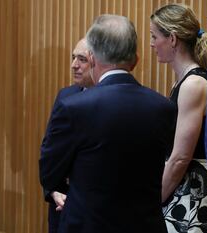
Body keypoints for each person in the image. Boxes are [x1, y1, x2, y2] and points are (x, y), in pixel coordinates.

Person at [39, 14, 176, 233]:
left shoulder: (73, 108)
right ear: (135, 60)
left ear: (92, 59)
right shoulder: (164, 108)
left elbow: (49, 174)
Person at [150, 4, 207, 233]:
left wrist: (153, 199)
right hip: (182, 189)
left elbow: (180, 157)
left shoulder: (193, 84)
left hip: (192, 194)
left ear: (172, 39)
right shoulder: (182, 82)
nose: (151, 44)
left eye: (154, 36)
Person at [41, 38, 94, 233]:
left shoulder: (113, 99)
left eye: (82, 59)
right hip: (61, 202)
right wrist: (52, 190)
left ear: (97, 61)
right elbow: (49, 148)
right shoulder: (66, 96)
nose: (74, 65)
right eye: (73, 58)